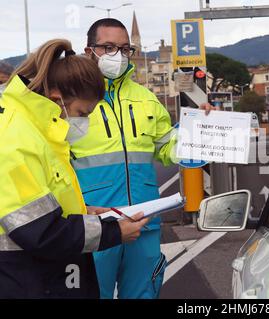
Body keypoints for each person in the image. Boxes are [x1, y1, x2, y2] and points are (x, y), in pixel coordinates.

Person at [70, 18, 216, 299]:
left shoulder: (146, 99)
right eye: (109, 47)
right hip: (94, 226)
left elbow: (169, 148)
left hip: (143, 224)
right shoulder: (71, 101)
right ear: (89, 51)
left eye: (125, 49)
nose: (119, 56)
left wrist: (203, 128)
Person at [0, 39, 150, 299]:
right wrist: (112, 231)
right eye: (83, 111)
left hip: (39, 276)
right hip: (24, 279)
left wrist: (86, 212)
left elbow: (39, 201)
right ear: (58, 99)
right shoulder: (16, 136)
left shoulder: (36, 127)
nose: (85, 121)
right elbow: (37, 230)